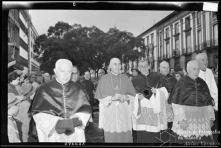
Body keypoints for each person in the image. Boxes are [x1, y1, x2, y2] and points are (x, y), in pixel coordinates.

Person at [28, 59, 91, 142]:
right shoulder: (43, 89)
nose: (65, 75)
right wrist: (58, 124)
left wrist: (75, 121)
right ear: (55, 71)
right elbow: (38, 114)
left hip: (74, 134)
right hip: (53, 134)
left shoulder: (79, 89)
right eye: (62, 71)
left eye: (68, 72)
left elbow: (85, 111)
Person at [168, 60, 215, 145]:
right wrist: (181, 120)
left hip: (202, 121)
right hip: (186, 120)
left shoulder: (202, 83)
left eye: (198, 69)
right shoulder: (181, 83)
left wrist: (211, 117)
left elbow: (208, 102)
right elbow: (175, 104)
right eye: (194, 69)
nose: (196, 71)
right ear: (188, 70)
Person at [95, 57, 136, 143]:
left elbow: (133, 96)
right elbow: (100, 99)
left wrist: (125, 97)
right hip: (110, 115)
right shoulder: (104, 79)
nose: (118, 66)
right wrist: (112, 98)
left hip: (124, 114)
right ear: (110, 66)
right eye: (115, 64)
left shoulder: (125, 78)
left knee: (125, 138)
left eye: (119, 64)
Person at [8, 71, 24, 142]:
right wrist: (18, 99)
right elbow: (10, 102)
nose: (19, 81)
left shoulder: (13, 87)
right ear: (12, 79)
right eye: (17, 79)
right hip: (10, 115)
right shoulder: (9, 88)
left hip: (13, 115)